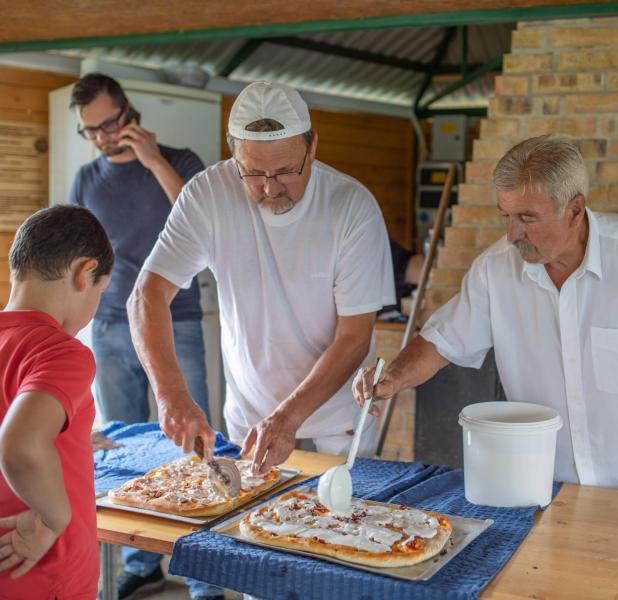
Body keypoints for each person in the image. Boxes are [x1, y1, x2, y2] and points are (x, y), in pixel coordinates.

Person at [353, 135, 618, 504]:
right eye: (505, 215)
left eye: (527, 217)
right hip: (544, 491)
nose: (512, 234)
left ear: (575, 209)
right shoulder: (495, 270)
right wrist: (393, 378)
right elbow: (441, 341)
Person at [128, 81, 395, 473]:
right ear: (234, 154)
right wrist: (171, 394)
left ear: (312, 146)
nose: (270, 188)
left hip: (339, 416)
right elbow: (146, 295)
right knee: (247, 526)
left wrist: (288, 417)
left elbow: (354, 337)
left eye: (286, 171)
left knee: (343, 521)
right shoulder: (207, 194)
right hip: (249, 413)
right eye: (253, 173)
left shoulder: (351, 206)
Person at [68, 73, 218, 600]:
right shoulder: (87, 178)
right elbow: (75, 250)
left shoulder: (180, 161)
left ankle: (204, 576)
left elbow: (204, 224)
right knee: (123, 446)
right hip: (109, 324)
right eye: (92, 131)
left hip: (174, 319)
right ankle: (142, 562)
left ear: (128, 111)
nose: (105, 136)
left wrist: (153, 160)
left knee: (192, 442)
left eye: (110, 123)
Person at [0, 206, 113, 599]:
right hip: (46, 578)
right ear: (86, 273)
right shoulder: (62, 352)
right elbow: (20, 446)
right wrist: (52, 518)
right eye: (101, 291)